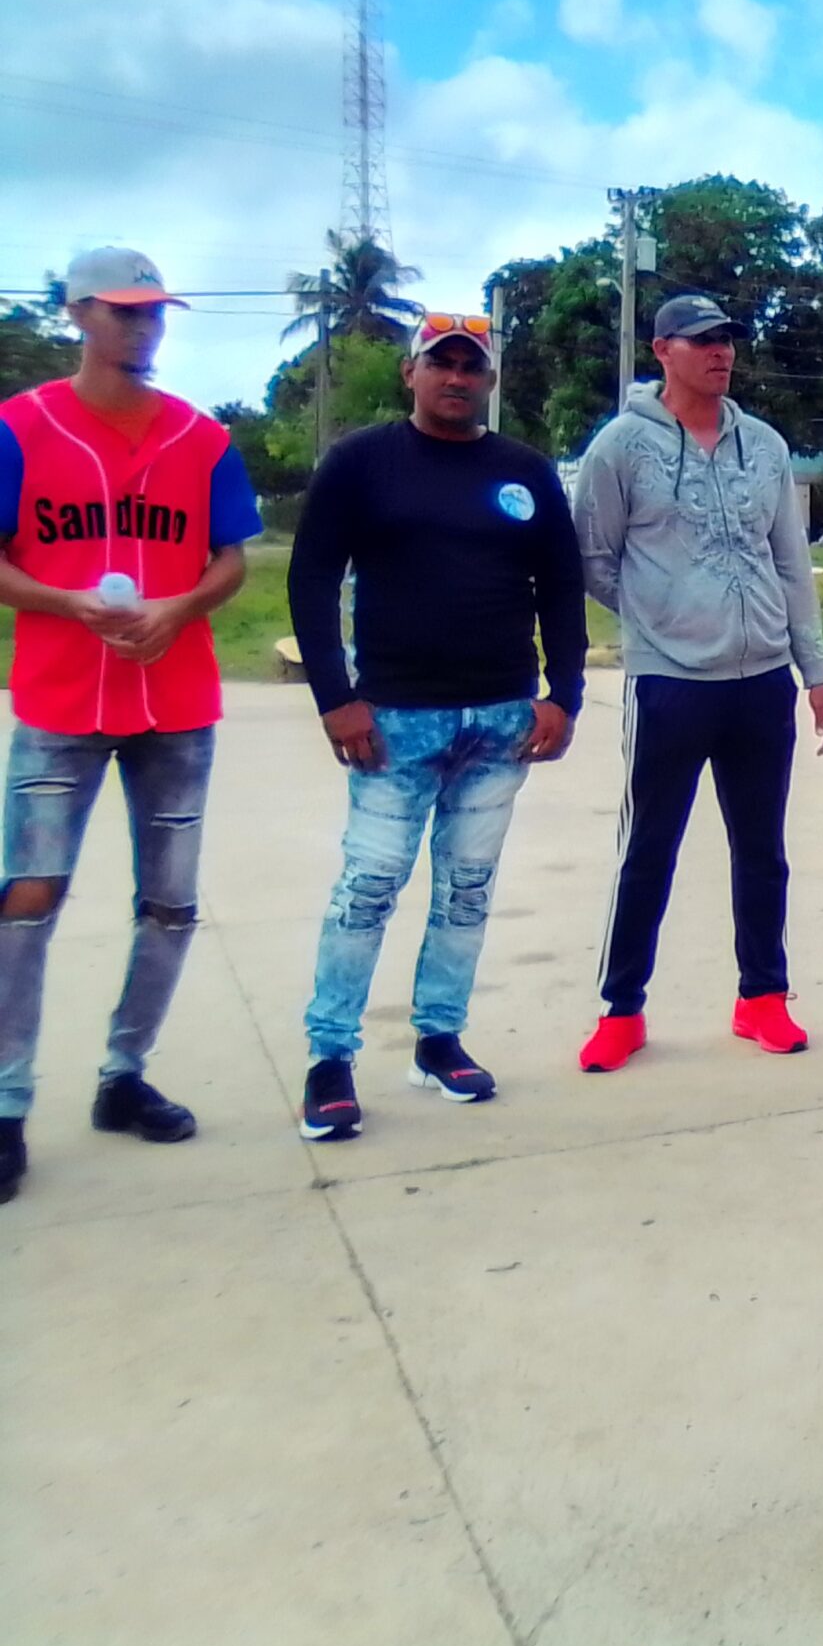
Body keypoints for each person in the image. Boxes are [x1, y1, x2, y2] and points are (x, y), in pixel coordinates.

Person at [285, 313, 588, 1142]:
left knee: (465, 892)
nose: (457, 379)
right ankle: (330, 1059)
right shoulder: (361, 463)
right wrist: (334, 696)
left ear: (489, 380)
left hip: (500, 719)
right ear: (411, 373)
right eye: (441, 364)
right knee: (369, 888)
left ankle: (439, 1037)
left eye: (472, 368)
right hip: (392, 720)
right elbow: (313, 578)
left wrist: (564, 694)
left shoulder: (522, 471)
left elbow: (560, 585)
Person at [0, 248, 258, 1204]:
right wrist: (69, 601)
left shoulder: (200, 436)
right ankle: (6, 1102)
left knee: (171, 906)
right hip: (61, 701)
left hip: (175, 703)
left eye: (154, 312)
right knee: (26, 902)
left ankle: (124, 1075)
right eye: (124, 311)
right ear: (78, 315)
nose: (144, 327)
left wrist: (180, 608)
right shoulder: (20, 428)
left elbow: (230, 558)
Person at [572, 294, 823, 1070]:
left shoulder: (762, 444)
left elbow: (790, 562)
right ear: (662, 351)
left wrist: (814, 669)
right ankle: (621, 1008)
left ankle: (763, 997)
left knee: (762, 849)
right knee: (649, 846)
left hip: (761, 680)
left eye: (727, 340)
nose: (720, 353)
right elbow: (592, 556)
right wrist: (661, 616)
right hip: (671, 682)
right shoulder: (620, 448)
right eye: (702, 341)